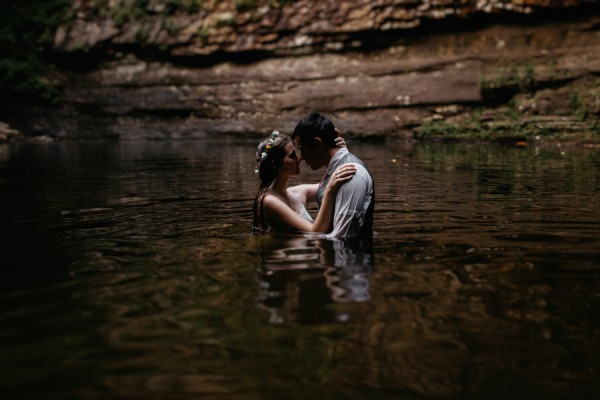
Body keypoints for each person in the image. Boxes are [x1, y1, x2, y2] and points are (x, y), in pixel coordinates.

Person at [253, 130, 356, 234]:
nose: (300, 158)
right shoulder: (269, 201)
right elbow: (316, 231)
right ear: (275, 164)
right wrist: (329, 191)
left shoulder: (297, 192)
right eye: (292, 155)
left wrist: (336, 152)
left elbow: (333, 181)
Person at [292, 112, 374, 239]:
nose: (301, 157)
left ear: (318, 144)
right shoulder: (335, 171)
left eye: (302, 149)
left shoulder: (350, 174)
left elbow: (342, 238)